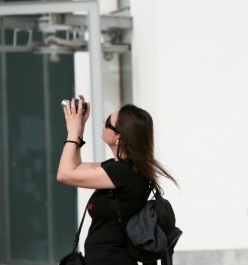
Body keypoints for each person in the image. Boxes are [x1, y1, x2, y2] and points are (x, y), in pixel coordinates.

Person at [57, 95, 178, 265]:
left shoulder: (123, 172)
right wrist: (80, 128)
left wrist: (73, 131)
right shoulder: (122, 169)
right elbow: (74, 167)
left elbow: (64, 174)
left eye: (108, 122)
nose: (103, 121)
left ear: (119, 138)